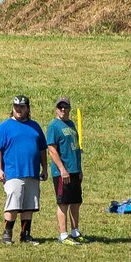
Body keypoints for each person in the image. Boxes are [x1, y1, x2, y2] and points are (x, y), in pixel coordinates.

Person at [0, 94, 59, 245]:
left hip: (32, 172)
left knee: (30, 204)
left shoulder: (35, 126)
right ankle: (7, 234)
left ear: (28, 108)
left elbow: (42, 149)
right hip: (13, 172)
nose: (18, 110)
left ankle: (25, 234)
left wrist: (44, 168)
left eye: (21, 107)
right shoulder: (5, 127)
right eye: (16, 107)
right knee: (13, 202)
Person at [47, 96, 86, 244]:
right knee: (63, 203)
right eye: (60, 107)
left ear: (69, 108)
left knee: (76, 201)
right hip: (62, 172)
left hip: (74, 170)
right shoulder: (54, 126)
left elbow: (74, 148)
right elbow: (52, 149)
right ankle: (63, 235)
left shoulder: (70, 124)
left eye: (65, 107)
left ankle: (75, 231)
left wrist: (79, 168)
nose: (63, 110)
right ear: (56, 108)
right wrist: (62, 169)